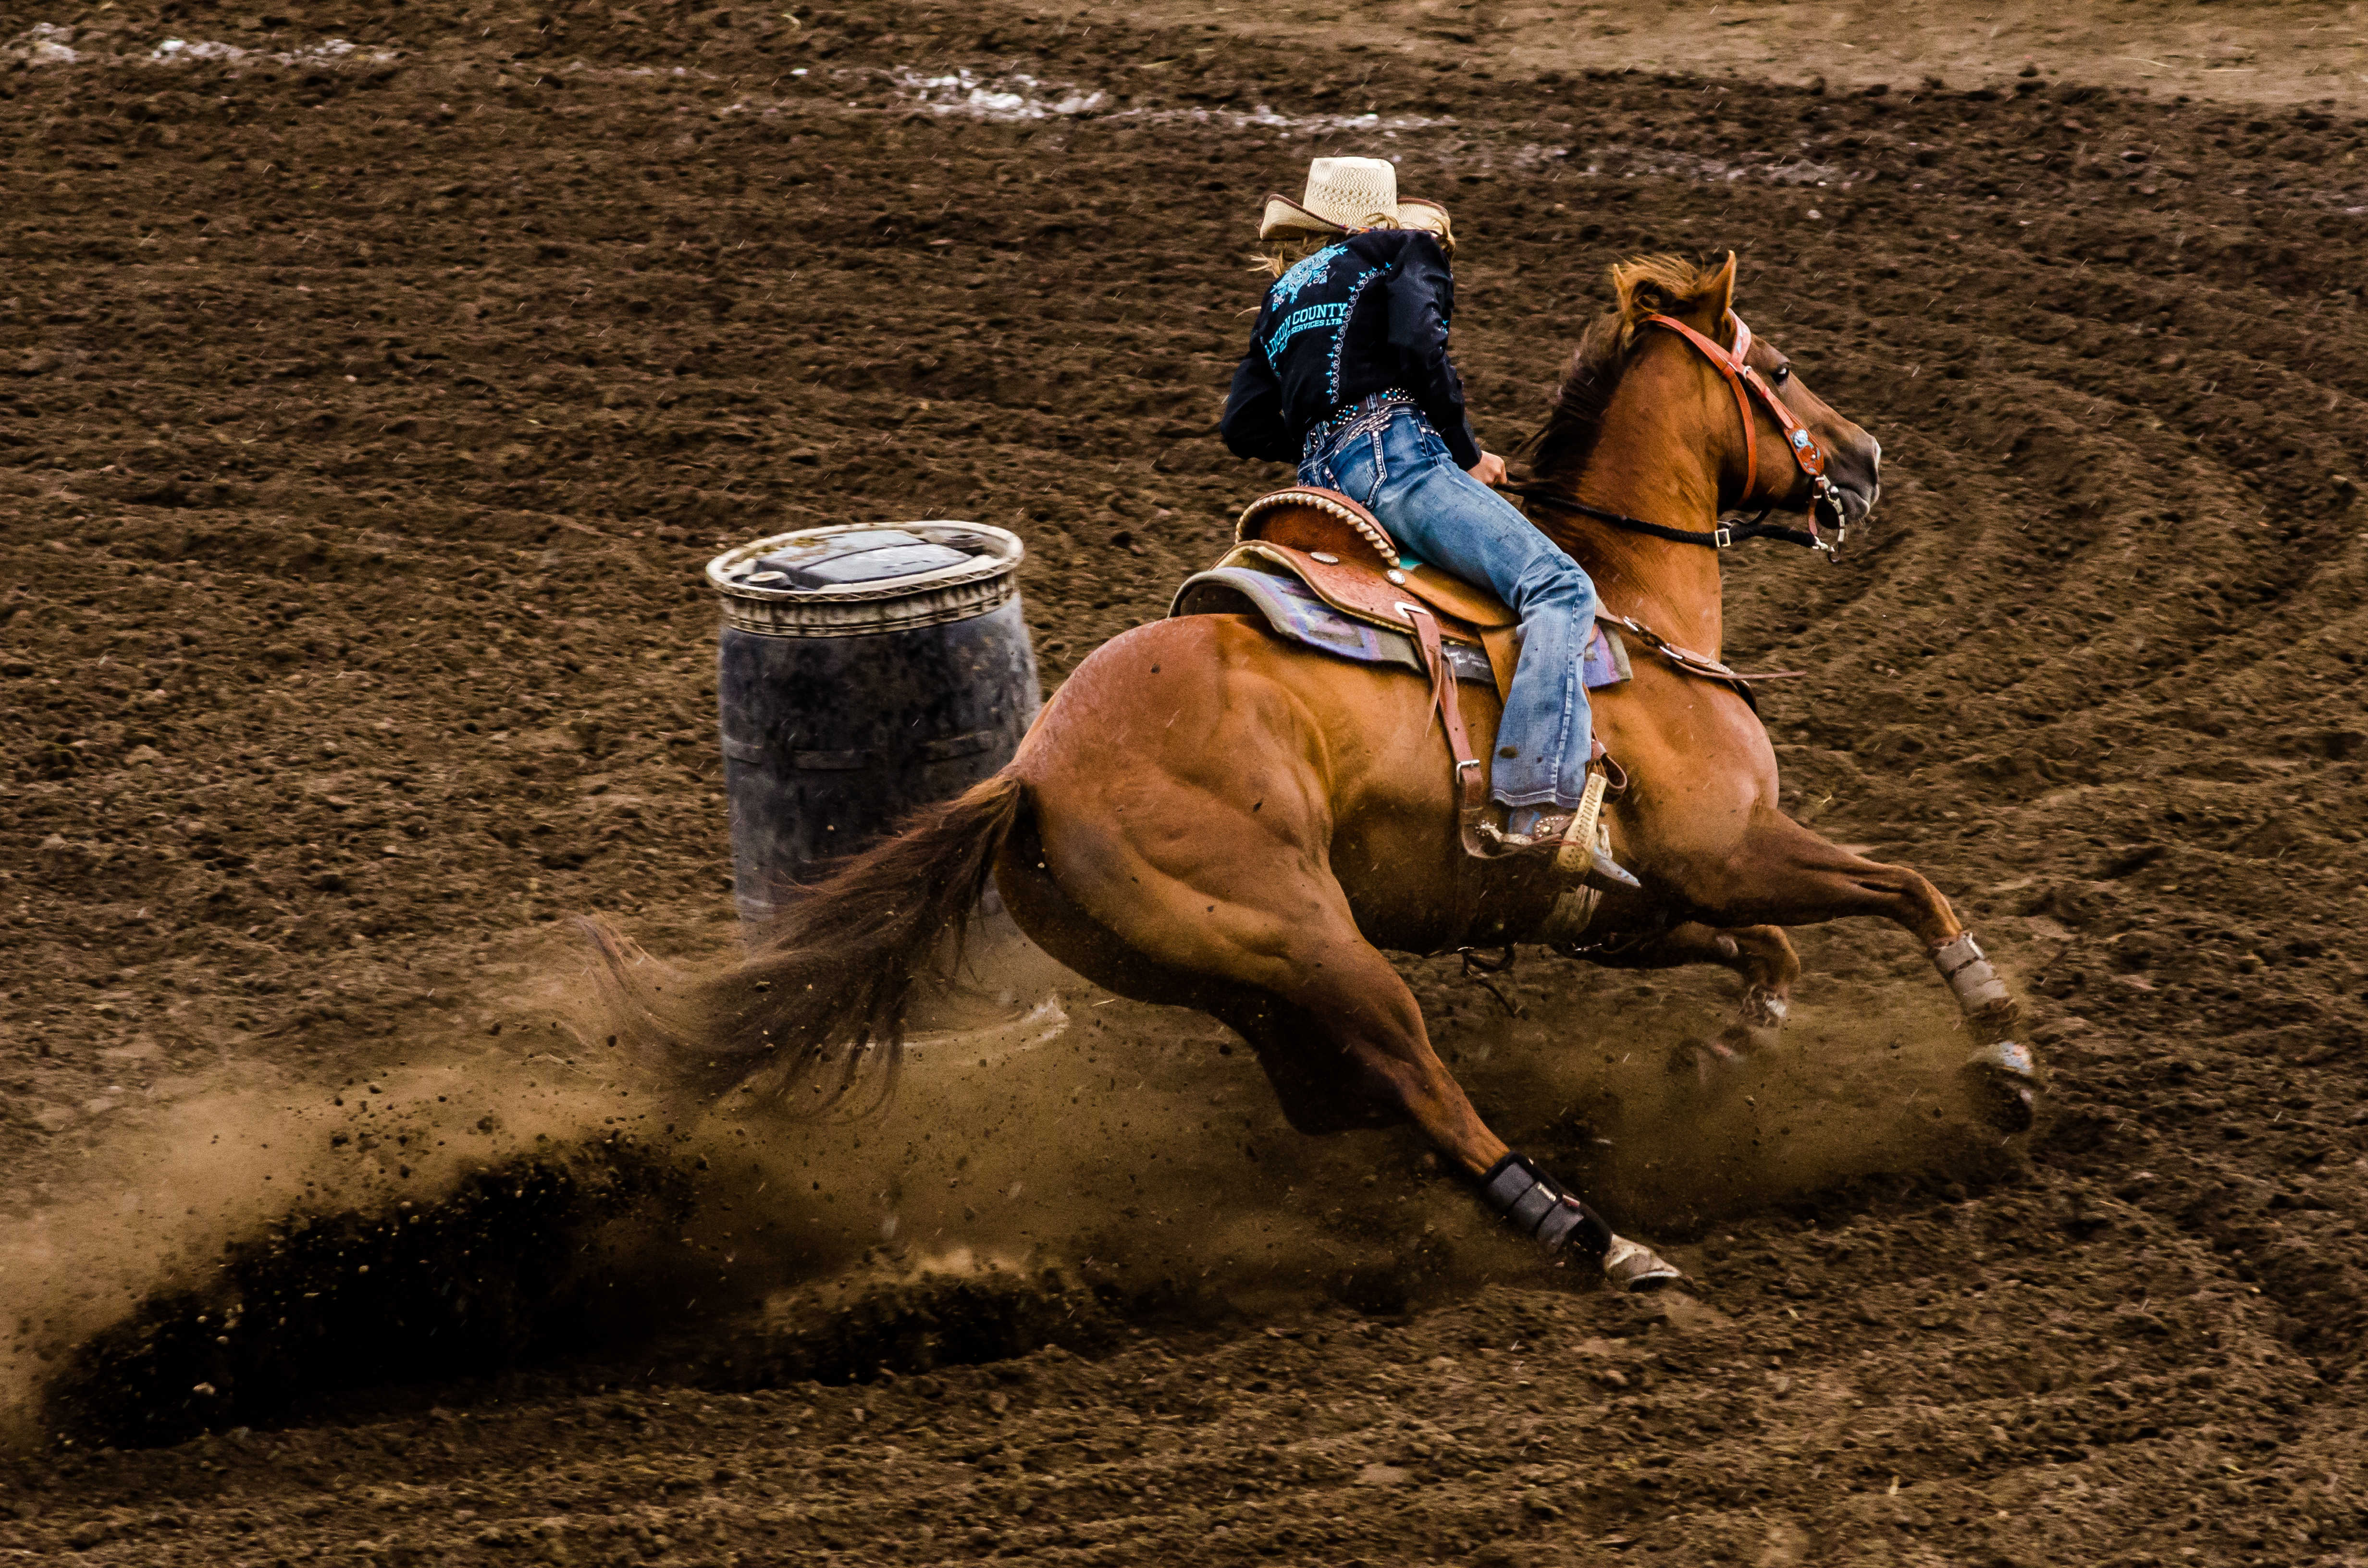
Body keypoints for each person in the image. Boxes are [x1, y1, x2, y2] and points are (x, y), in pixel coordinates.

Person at [1219, 156, 1634, 889]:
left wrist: (1329, 427)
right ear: (1379, 217)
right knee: (1560, 589)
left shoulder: (1281, 295)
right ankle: (1537, 806)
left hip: (1321, 487)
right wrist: (1466, 453)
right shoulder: (1404, 251)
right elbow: (1420, 348)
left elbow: (1244, 424)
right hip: (1399, 467)